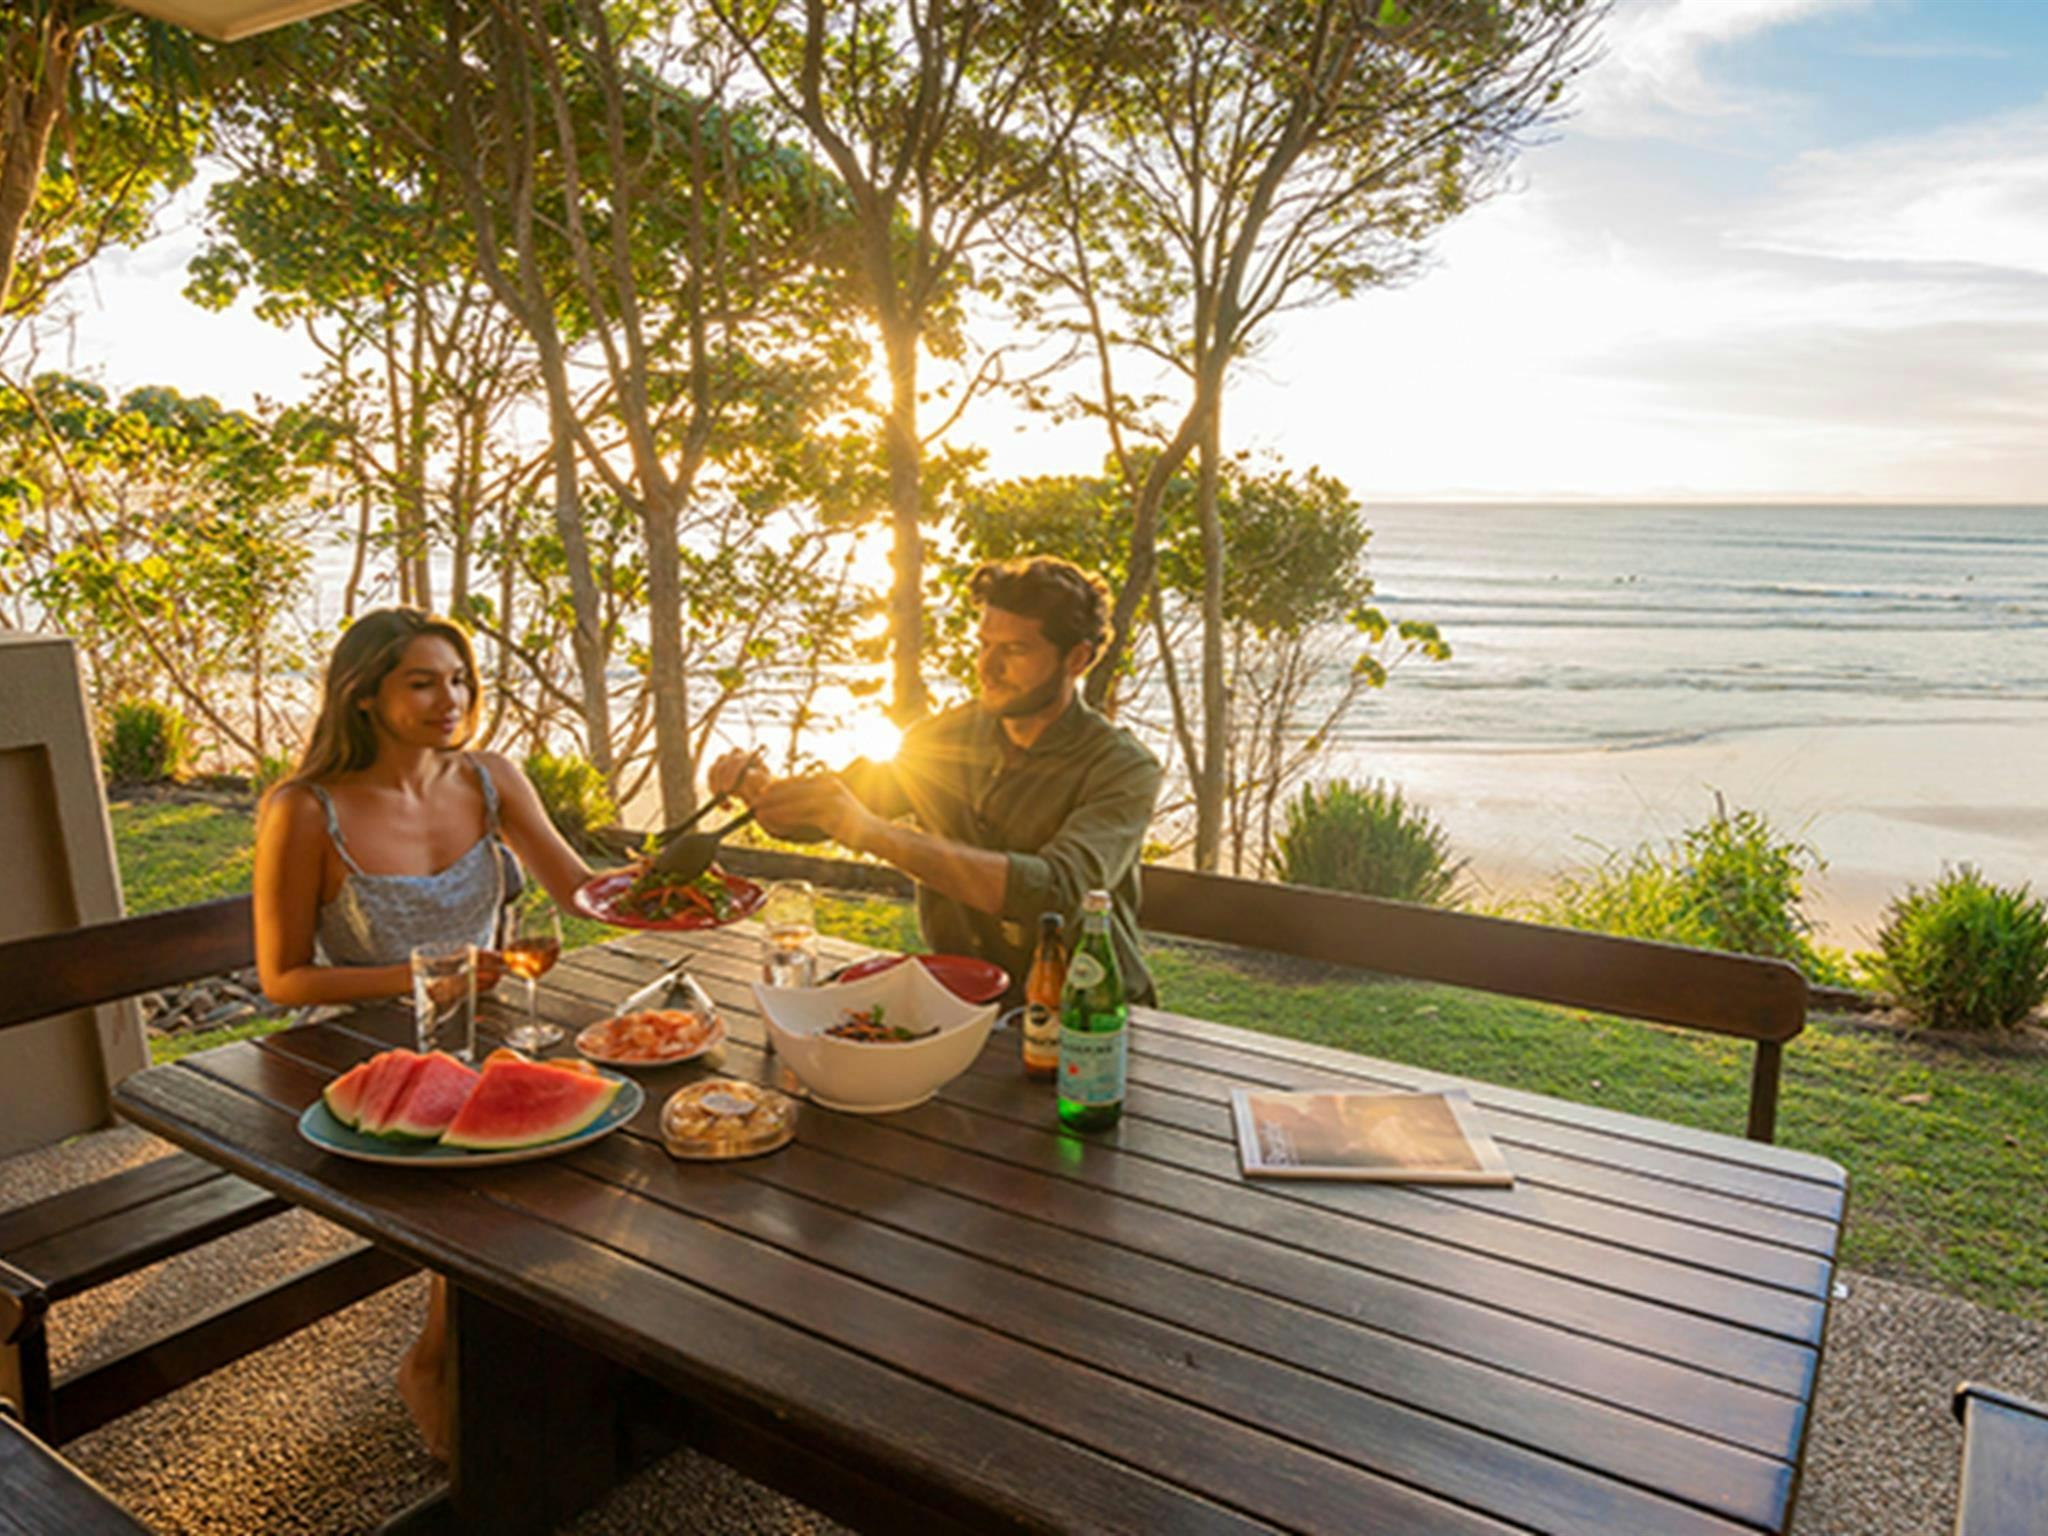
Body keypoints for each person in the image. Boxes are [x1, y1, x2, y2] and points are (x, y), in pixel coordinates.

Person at [252, 606, 595, 1459]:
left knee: (597, 1128)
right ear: (363, 695)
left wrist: (684, 867)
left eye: (460, 680)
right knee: (477, 1178)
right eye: (423, 682)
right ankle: (434, 1365)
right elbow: (283, 979)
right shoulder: (305, 811)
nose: (452, 699)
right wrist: (430, 973)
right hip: (354, 1050)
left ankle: (571, 1354)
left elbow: (584, 892)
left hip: (479, 1028)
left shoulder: (489, 779)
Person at [712, 556, 1164, 1004]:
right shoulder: (943, 736)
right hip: (966, 997)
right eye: (984, 645)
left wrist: (870, 832)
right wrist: (762, 789)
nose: (987, 668)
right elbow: (828, 810)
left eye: (1014, 650)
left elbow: (1057, 891)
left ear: (1077, 659)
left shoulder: (1123, 767)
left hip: (1092, 1011)